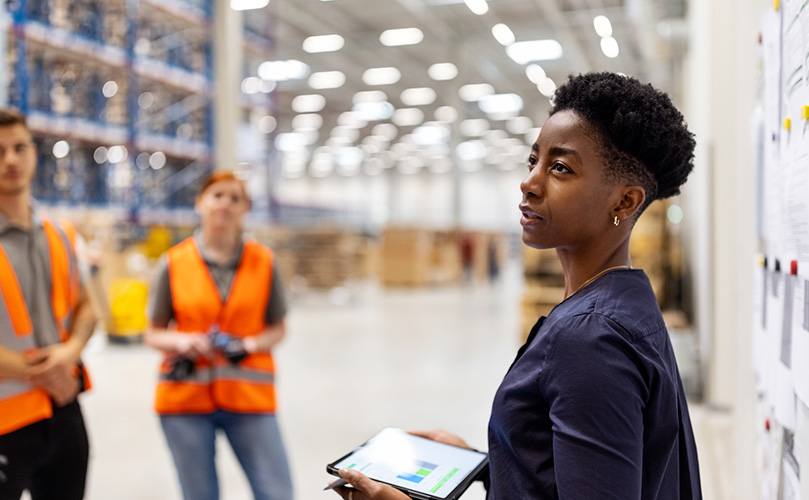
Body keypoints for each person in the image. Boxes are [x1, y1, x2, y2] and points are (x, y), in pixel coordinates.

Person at [331, 72, 702, 499]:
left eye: (560, 168)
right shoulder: (627, 301)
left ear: (624, 202)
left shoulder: (590, 338)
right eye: (534, 161)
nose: (530, 182)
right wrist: (495, 463)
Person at [145, 171, 293, 500]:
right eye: (217, 195)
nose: (225, 204)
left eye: (235, 198)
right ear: (200, 203)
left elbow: (279, 327)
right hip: (185, 400)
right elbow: (153, 333)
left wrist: (250, 344)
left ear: (245, 208)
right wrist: (182, 342)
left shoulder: (264, 262)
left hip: (249, 398)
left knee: (277, 492)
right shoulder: (173, 263)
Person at [0, 107, 97, 499]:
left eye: (19, 147)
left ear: (34, 153)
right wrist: (42, 371)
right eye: (0, 150)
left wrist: (71, 351)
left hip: (64, 409)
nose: (10, 159)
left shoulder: (62, 234)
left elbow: (87, 307)